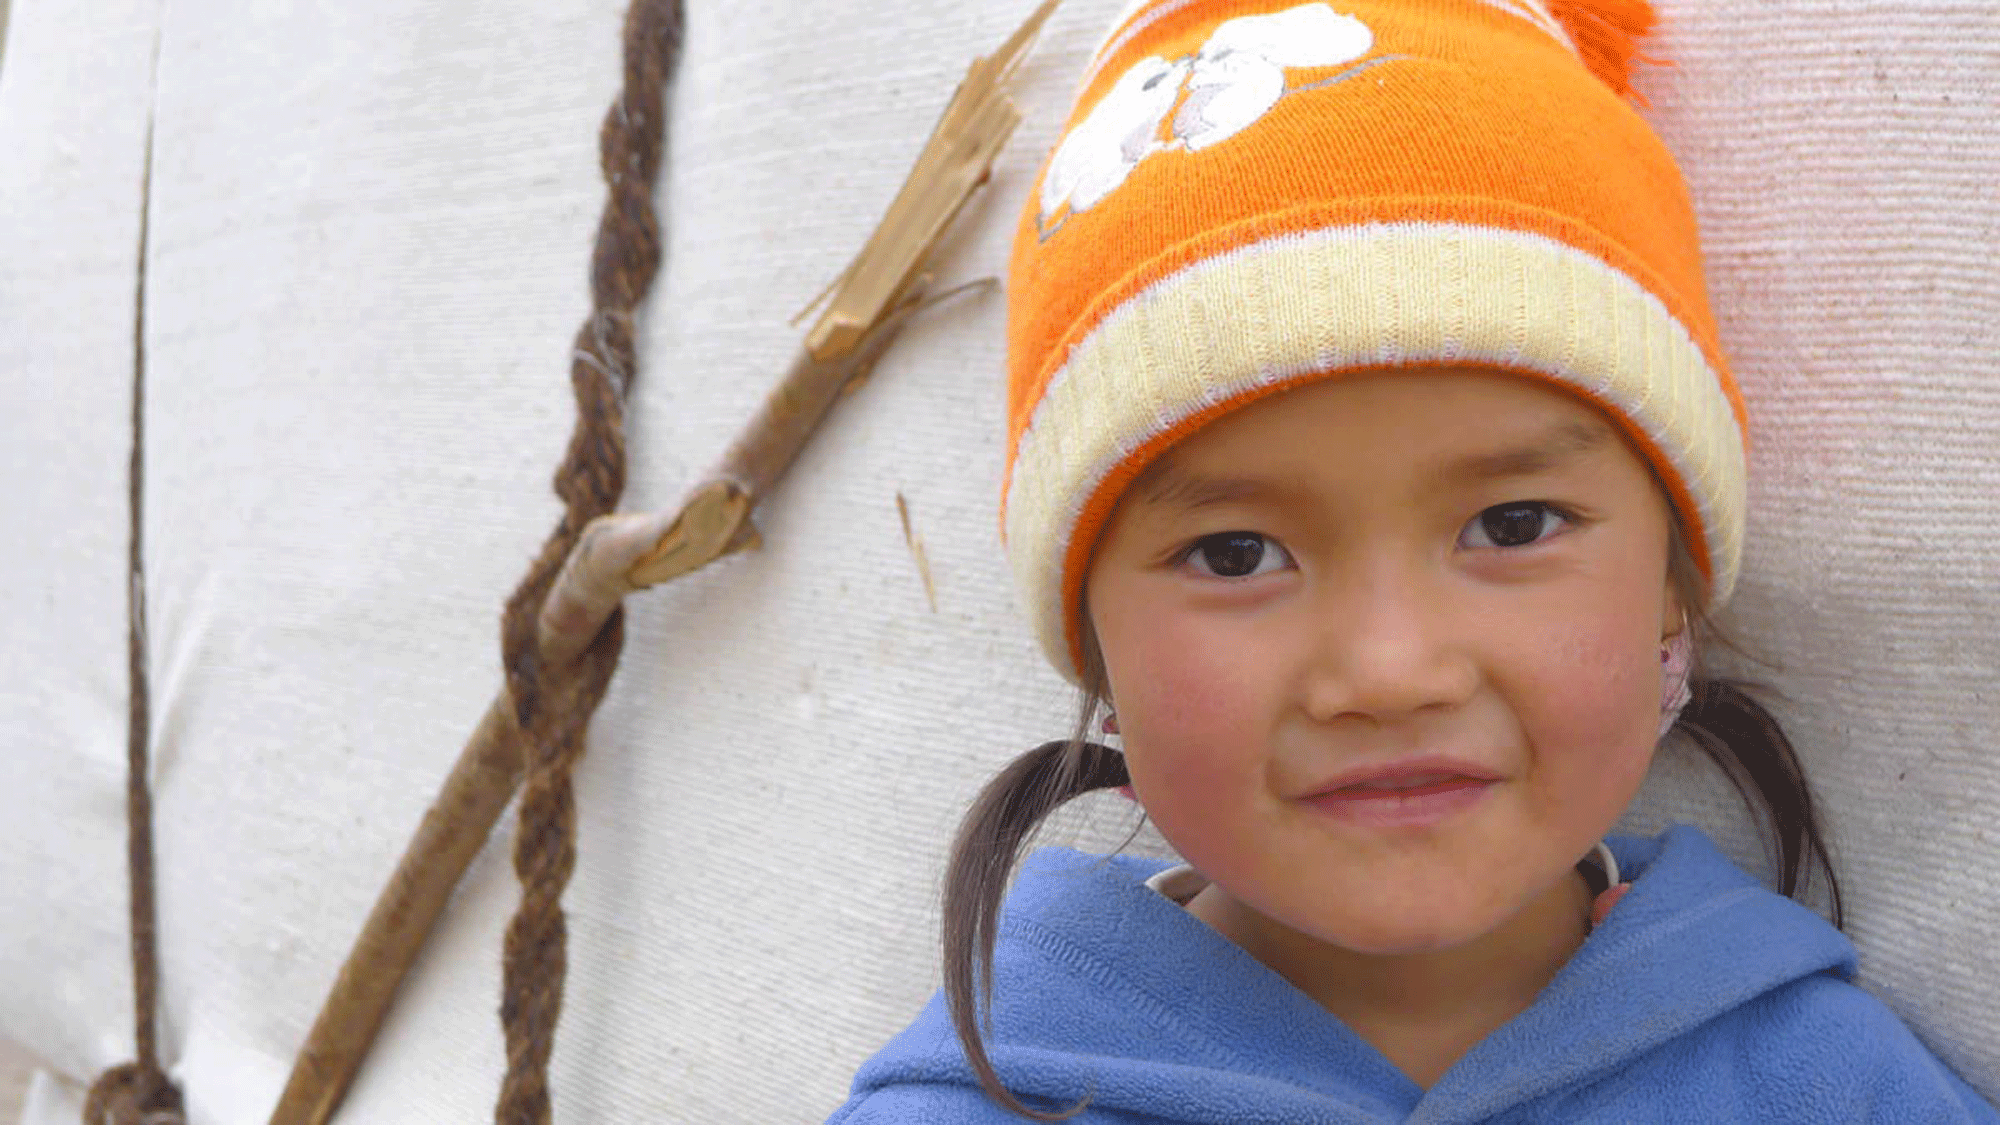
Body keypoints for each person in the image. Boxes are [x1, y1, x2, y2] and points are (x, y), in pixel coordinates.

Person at [828, 0, 2000, 1120]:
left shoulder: (1837, 1086)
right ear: (1093, 649)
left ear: (1670, 595)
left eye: (1512, 525)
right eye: (1235, 552)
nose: (1389, 673)